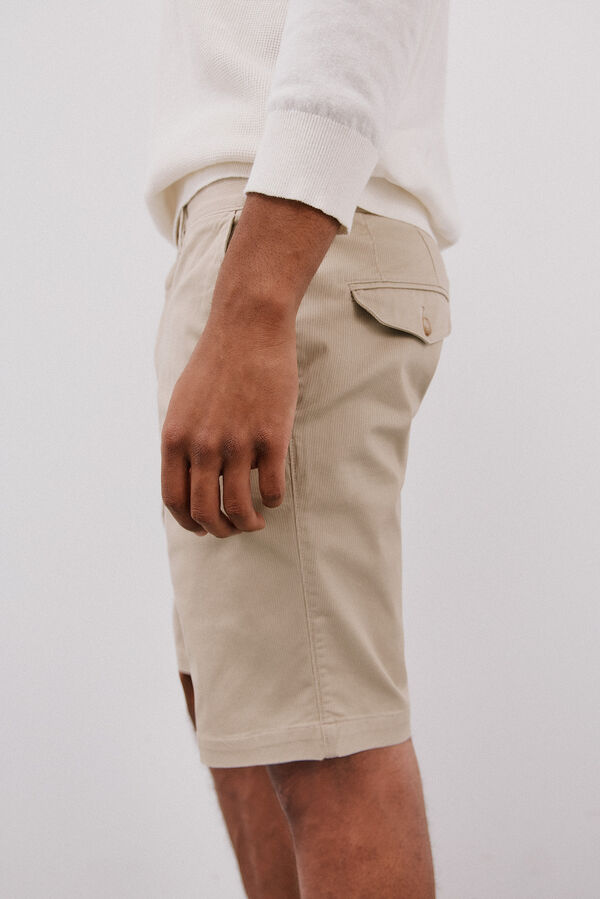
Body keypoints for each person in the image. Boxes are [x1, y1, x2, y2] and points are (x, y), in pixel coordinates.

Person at [144, 0, 460, 895]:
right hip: (270, 223)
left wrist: (258, 295)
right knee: (251, 720)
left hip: (290, 226)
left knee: (327, 747)